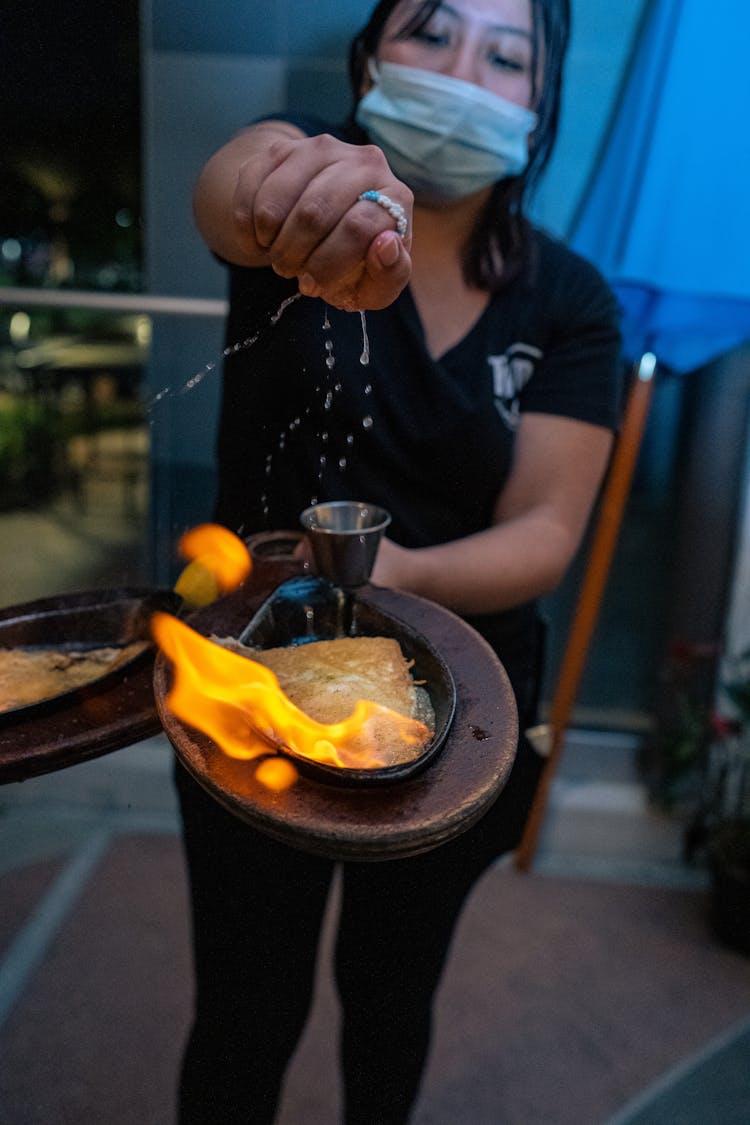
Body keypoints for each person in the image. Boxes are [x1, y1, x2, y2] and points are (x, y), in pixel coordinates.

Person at [176, 1, 622, 1121]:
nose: (464, 70)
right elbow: (235, 188)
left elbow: (546, 536)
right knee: (243, 1006)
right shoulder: (300, 207)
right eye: (431, 32)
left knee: (389, 999)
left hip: (461, 718)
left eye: (507, 55)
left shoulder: (568, 302)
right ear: (372, 57)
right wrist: (284, 189)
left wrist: (384, 580)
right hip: (251, 690)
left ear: (537, 107)